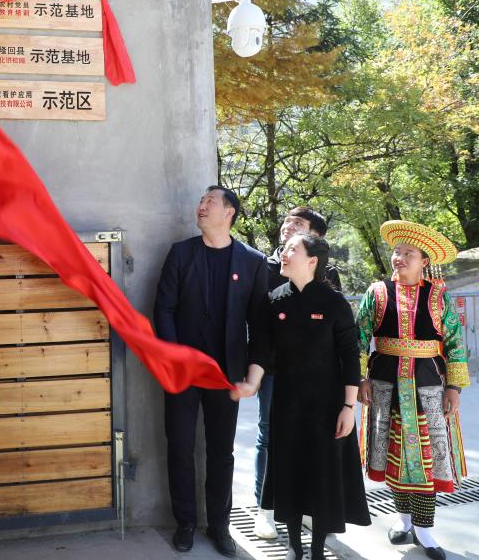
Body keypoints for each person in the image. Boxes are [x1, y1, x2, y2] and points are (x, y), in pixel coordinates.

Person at [232, 234, 370, 559]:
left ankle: (318, 549)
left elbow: (350, 357)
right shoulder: (274, 300)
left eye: (293, 248)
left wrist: (348, 407)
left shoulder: (334, 303)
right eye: (285, 247)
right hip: (287, 403)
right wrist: (251, 384)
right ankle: (294, 546)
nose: (284, 252)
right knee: (289, 473)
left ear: (312, 261)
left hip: (328, 405)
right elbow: (261, 349)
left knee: (322, 476)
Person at [154, 185, 268, 556]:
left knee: (221, 452)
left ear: (229, 212)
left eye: (210, 202)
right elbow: (163, 309)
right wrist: (174, 357)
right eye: (201, 201)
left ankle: (220, 525)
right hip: (183, 373)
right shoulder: (181, 253)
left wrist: (252, 375)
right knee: (180, 446)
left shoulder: (252, 261)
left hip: (226, 375)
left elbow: (260, 325)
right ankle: (185, 522)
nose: (201, 206)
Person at [357, 220, 470, 560]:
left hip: (428, 384)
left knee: (425, 455)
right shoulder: (377, 293)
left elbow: (455, 342)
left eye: (409, 253)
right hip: (384, 384)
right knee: (393, 451)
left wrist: (454, 386)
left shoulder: (438, 295)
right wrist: (359, 378)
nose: (400, 258)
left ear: (424, 261)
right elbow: (358, 338)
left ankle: (424, 527)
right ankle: (404, 518)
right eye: (397, 251)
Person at [255, 206, 343, 539]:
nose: (288, 225)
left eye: (299, 223)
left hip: (316, 372)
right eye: (287, 220)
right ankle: (265, 509)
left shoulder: (328, 272)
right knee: (269, 435)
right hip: (275, 369)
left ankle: (306, 507)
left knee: (310, 435)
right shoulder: (263, 266)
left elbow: (337, 328)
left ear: (315, 236)